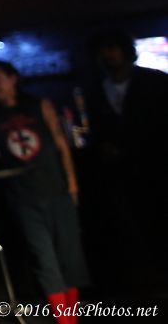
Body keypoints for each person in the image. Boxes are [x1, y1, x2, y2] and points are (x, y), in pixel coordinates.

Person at [0, 61, 89, 324]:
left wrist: (72, 184)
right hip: (23, 197)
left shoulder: (39, 105)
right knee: (44, 259)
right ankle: (64, 321)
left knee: (70, 257)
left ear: (13, 79)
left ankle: (71, 318)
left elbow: (61, 145)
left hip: (56, 190)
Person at [83, 29, 168, 293]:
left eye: (112, 48)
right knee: (138, 225)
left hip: (158, 164)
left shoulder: (155, 81)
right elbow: (96, 128)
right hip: (122, 173)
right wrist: (103, 146)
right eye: (102, 51)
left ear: (126, 51)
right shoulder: (97, 90)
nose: (107, 55)